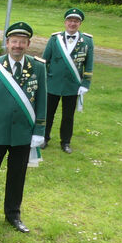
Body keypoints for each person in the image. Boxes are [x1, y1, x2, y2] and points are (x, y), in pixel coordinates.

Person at [0, 22, 46, 233]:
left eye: (22, 42)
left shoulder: (38, 67)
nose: (18, 46)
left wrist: (38, 132)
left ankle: (13, 215)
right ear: (7, 43)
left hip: (23, 133)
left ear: (28, 44)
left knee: (17, 175)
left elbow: (42, 102)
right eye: (14, 41)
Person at [41, 8, 94, 154]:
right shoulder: (54, 39)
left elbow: (89, 65)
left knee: (68, 116)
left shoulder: (87, 41)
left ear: (80, 23)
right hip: (52, 83)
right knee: (48, 113)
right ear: (65, 22)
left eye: (76, 21)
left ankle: (65, 142)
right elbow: (44, 61)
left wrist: (85, 84)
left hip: (72, 85)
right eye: (70, 20)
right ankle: (44, 138)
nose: (72, 23)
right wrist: (42, 80)